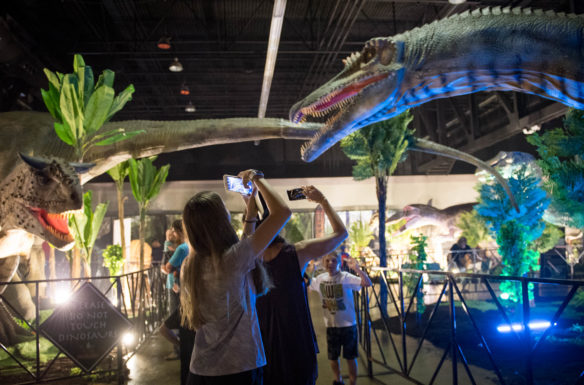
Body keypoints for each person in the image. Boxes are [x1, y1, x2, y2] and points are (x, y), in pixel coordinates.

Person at [180, 169, 291, 385]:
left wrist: (250, 207)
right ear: (220, 219)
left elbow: (240, 253)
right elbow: (282, 212)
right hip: (239, 370)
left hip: (200, 371)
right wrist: (257, 178)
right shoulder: (233, 260)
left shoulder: (189, 265)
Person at [245, 185, 348, 385]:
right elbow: (341, 233)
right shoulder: (296, 253)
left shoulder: (246, 258)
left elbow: (252, 230)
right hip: (297, 341)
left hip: (261, 347)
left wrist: (250, 203)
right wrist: (323, 201)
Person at [309, 253, 372, 385]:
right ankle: (338, 380)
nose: (330, 263)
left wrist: (357, 269)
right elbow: (307, 285)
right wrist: (310, 270)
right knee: (333, 357)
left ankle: (352, 382)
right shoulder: (320, 279)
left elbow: (367, 283)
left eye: (333, 260)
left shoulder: (345, 277)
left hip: (348, 325)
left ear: (339, 262)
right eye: (327, 261)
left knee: (350, 357)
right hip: (331, 325)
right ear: (323, 263)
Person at [159, 220, 187, 360]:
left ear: (179, 231)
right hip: (182, 286)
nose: (172, 233)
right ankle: (182, 348)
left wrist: (167, 268)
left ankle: (178, 350)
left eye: (174, 231)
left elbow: (166, 267)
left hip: (175, 287)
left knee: (173, 320)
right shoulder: (187, 246)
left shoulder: (181, 248)